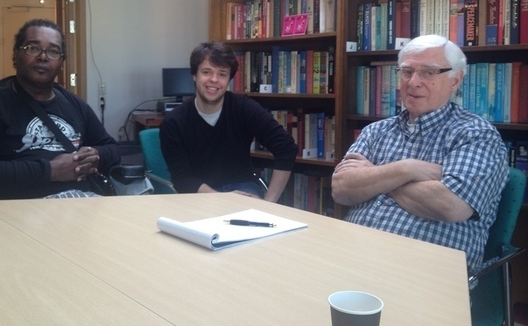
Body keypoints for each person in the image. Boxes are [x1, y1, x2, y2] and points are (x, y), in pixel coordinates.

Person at [332, 34, 508, 278]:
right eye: (406, 71)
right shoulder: (377, 130)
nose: (413, 82)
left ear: (455, 80)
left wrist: (376, 176)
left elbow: (450, 205)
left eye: (428, 72)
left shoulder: (476, 135)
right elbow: (341, 189)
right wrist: (407, 169)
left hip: (425, 272)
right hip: (351, 257)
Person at [0, 18, 120, 199]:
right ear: (15, 54)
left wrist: (95, 156)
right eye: (33, 48)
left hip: (84, 202)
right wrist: (49, 171)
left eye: (54, 51)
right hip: (19, 209)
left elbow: (112, 149)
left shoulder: (74, 104)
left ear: (61, 62)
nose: (43, 57)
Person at [160, 41, 298, 202]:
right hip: (199, 195)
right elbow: (182, 179)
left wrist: (270, 202)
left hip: (243, 188)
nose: (214, 80)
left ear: (228, 80)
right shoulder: (174, 122)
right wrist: (224, 199)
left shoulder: (244, 108)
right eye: (206, 72)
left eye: (222, 74)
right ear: (194, 75)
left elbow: (286, 148)